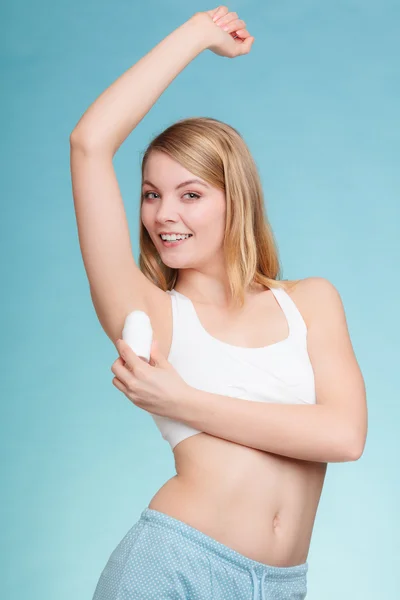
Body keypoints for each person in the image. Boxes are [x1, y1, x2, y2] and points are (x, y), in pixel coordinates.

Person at [70, 7, 368, 600]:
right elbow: (88, 144)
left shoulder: (309, 302)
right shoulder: (150, 316)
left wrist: (185, 401)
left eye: (190, 194)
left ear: (237, 199)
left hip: (283, 584)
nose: (163, 215)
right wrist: (199, 34)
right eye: (152, 194)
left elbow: (343, 436)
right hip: (172, 567)